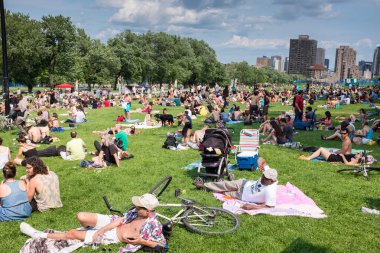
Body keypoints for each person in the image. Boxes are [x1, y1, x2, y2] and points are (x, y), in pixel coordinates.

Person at [20, 193, 167, 252]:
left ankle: (38, 234)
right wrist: (100, 230)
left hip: (113, 236)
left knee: (72, 233)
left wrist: (142, 241)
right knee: (81, 216)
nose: (135, 207)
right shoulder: (136, 212)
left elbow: (162, 246)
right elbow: (120, 220)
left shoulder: (153, 225)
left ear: (148, 211)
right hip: (112, 222)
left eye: (139, 206)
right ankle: (85, 234)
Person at [193, 168, 278, 210]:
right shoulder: (266, 178)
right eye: (263, 175)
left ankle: (207, 188)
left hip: (242, 195)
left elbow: (270, 206)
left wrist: (252, 206)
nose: (263, 178)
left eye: (266, 178)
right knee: (225, 185)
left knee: (223, 192)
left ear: (272, 181)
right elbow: (262, 162)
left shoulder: (270, 191)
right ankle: (204, 185)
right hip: (244, 183)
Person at [298, 148, 363, 164]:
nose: (357, 153)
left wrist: (343, 156)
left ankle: (308, 158)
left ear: (359, 157)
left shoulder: (355, 160)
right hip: (335, 156)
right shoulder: (354, 157)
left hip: (334, 158)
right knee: (320, 152)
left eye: (358, 154)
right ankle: (307, 157)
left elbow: (348, 164)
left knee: (321, 149)